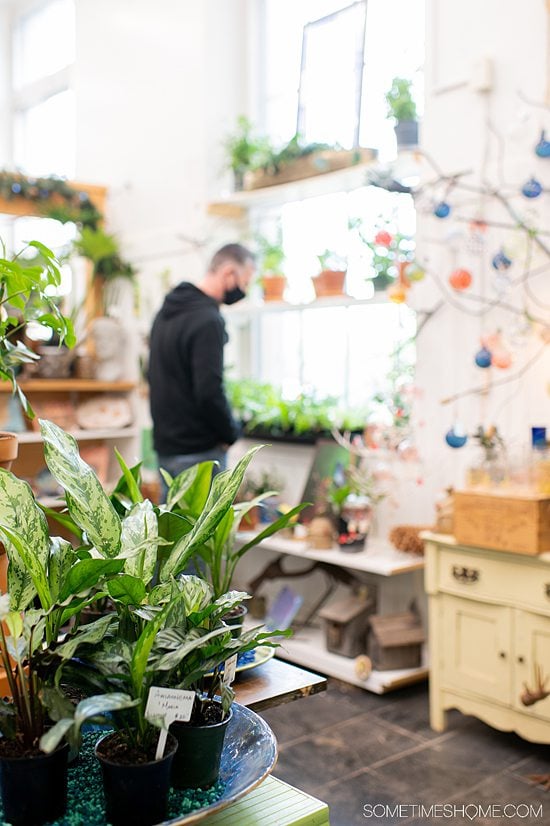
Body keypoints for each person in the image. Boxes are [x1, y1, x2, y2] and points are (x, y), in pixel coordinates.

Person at [148, 243, 255, 491]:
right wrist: (231, 432)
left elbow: (154, 376)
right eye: (245, 282)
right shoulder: (208, 320)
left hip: (166, 449)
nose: (244, 290)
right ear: (229, 273)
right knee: (205, 530)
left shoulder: (165, 313)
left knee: (173, 529)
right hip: (199, 453)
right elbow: (209, 389)